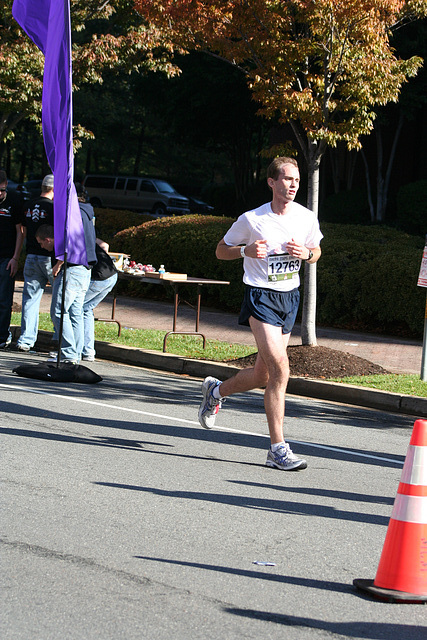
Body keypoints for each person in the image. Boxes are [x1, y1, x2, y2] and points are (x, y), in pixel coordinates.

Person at [198, 157, 323, 471]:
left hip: (289, 297)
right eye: (287, 179)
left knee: (262, 375)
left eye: (296, 180)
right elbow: (220, 249)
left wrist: (306, 254)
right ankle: (277, 449)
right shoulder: (252, 219)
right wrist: (245, 250)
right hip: (260, 296)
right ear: (271, 182)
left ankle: (216, 391)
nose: (293, 185)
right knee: (281, 369)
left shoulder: (306, 217)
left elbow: (316, 251)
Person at [36, 184, 97, 363]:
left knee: (58, 311)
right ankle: (75, 353)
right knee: (75, 312)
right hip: (85, 268)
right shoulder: (87, 212)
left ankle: (69, 353)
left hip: (73, 267)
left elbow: (72, 241)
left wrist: (59, 263)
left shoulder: (73, 214)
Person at [15, 174, 55, 352]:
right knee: (59, 298)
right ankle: (59, 338)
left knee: (30, 299)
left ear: (42, 187)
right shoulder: (54, 207)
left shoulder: (29, 205)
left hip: (31, 255)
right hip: (49, 257)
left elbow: (22, 230)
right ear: (54, 189)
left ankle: (26, 339)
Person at [81, 239, 118, 362]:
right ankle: (88, 351)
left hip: (98, 277)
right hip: (111, 274)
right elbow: (105, 245)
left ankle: (71, 349)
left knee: (74, 308)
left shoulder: (73, 234)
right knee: (86, 309)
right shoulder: (88, 232)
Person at [0, 170, 25, 348]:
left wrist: (15, 258)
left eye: (1, 190)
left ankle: (2, 335)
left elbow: (20, 232)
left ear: (6, 185)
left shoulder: (14, 201)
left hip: (6, 257)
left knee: (3, 299)